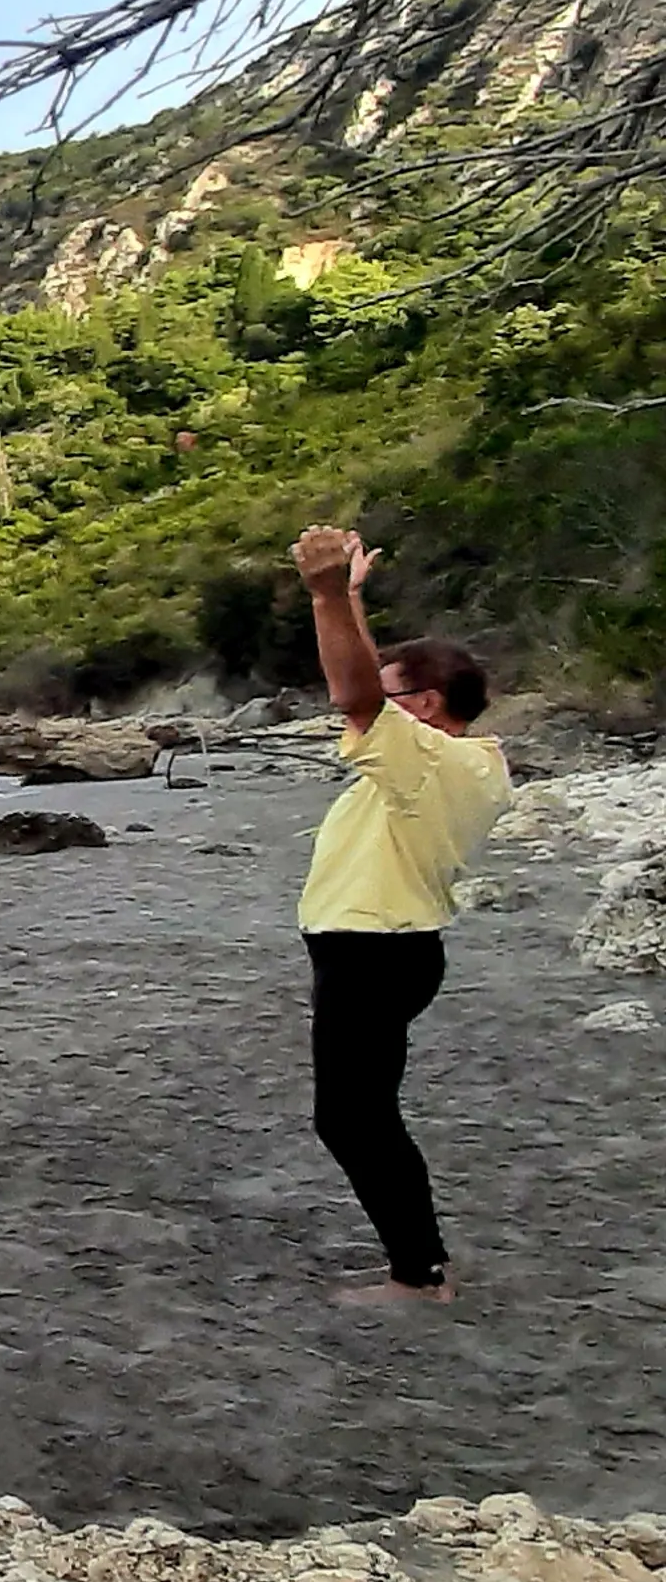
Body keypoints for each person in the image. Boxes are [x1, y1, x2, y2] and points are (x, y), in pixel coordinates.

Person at [288, 523, 511, 1306]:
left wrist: (322, 596)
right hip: (388, 948)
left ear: (425, 705)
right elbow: (365, 690)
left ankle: (419, 1275)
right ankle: (423, 1263)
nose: (364, 716)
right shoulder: (453, 761)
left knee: (352, 1120)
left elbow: (351, 692)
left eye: (391, 699)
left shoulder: (434, 760)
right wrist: (348, 601)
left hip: (374, 952)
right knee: (364, 1112)